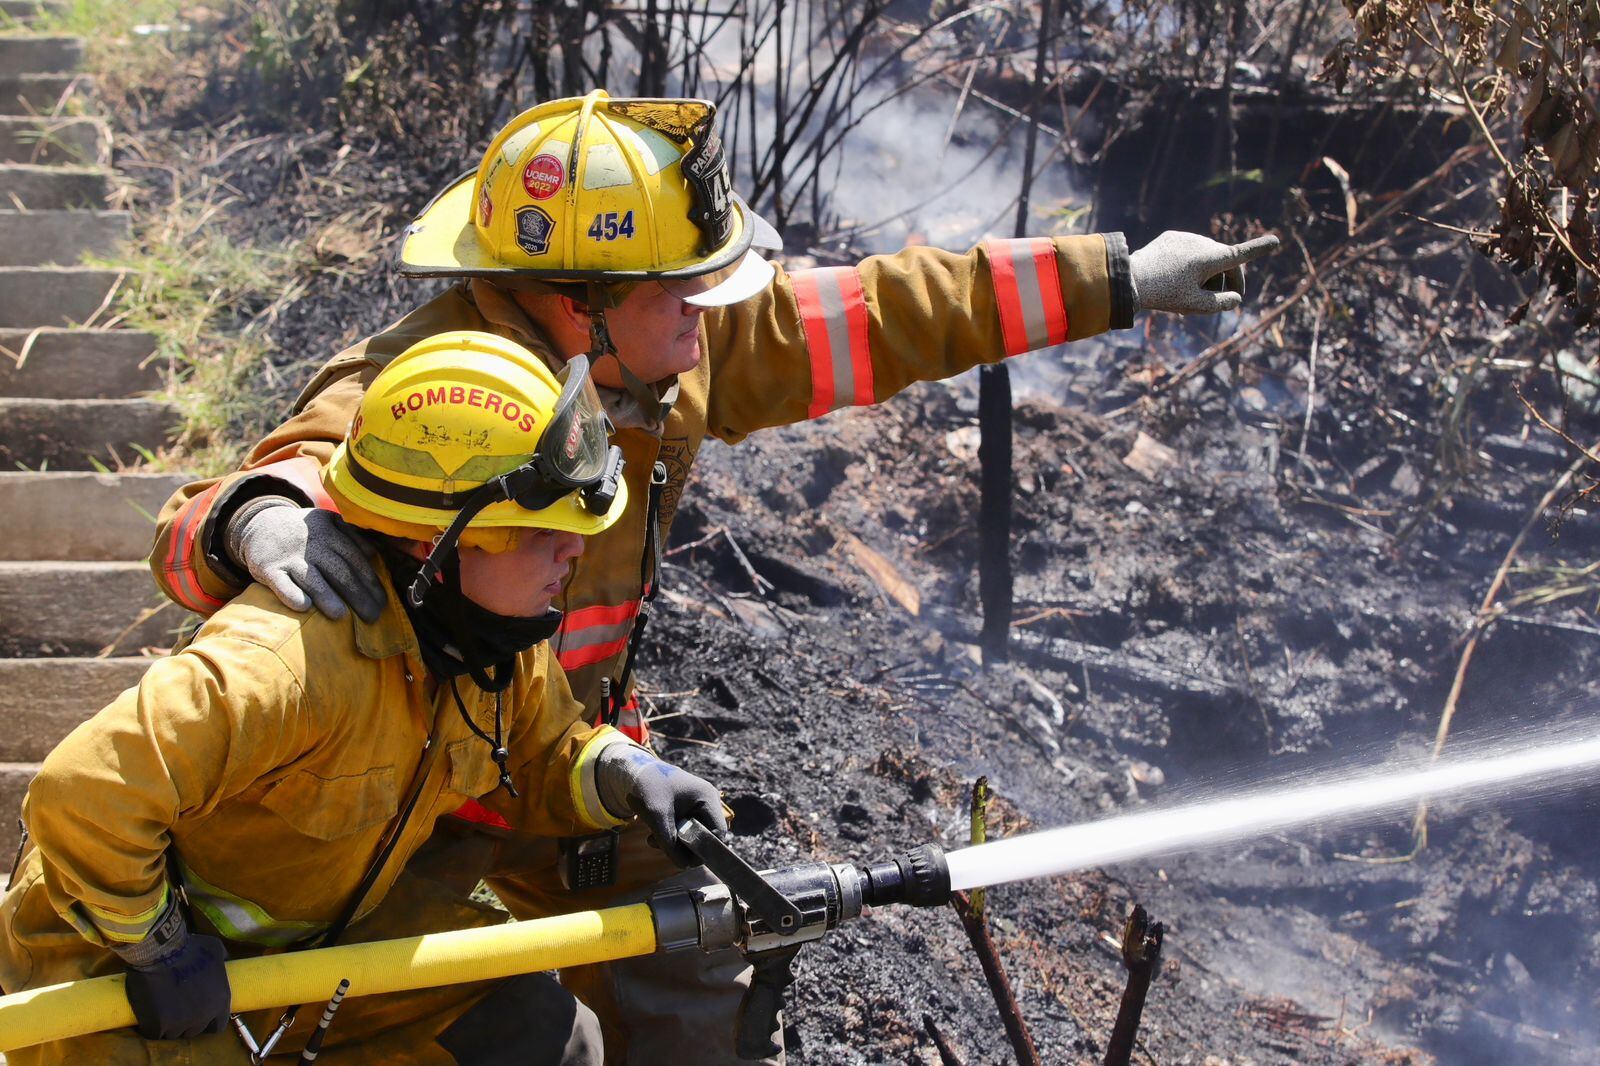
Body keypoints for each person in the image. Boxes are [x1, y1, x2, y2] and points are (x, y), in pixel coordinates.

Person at [142, 90, 1279, 1062]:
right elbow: (270, 482)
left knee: (695, 955)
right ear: (576, 297)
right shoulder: (432, 388)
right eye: (682, 292)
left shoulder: (673, 355)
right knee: (502, 1036)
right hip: (402, 815)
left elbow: (885, 314)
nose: (712, 318)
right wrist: (256, 516)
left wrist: (1116, 280)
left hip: (567, 767)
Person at [0, 331, 730, 1065]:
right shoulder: (289, 662)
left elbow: (542, 748)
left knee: (547, 1037)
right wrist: (157, 950)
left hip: (314, 956)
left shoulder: (483, 644)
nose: (573, 552)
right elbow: (82, 793)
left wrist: (622, 772)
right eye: (543, 532)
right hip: (123, 976)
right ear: (434, 544)